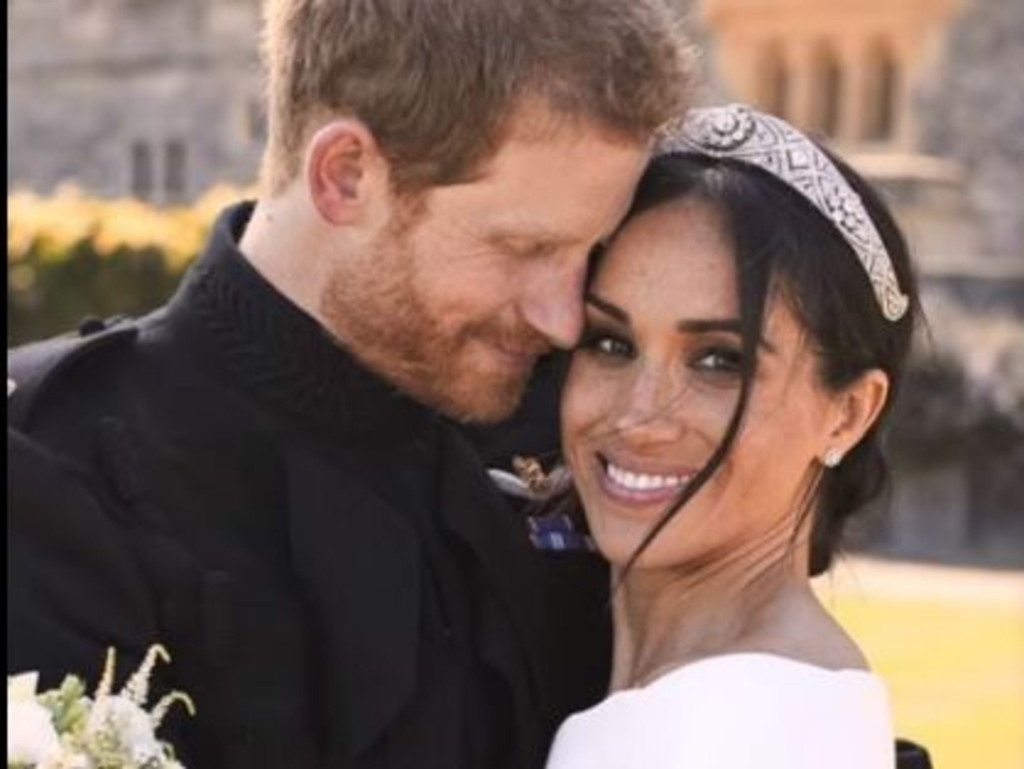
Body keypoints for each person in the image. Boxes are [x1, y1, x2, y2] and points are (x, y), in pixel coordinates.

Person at [6, 2, 693, 767]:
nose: (564, 320)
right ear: (346, 175)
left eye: (590, 251)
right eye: (524, 247)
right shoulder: (55, 471)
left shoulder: (575, 425)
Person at [542, 104, 928, 769]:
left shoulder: (742, 726)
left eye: (720, 360)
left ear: (849, 411)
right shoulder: (704, 693)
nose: (640, 413)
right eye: (611, 342)